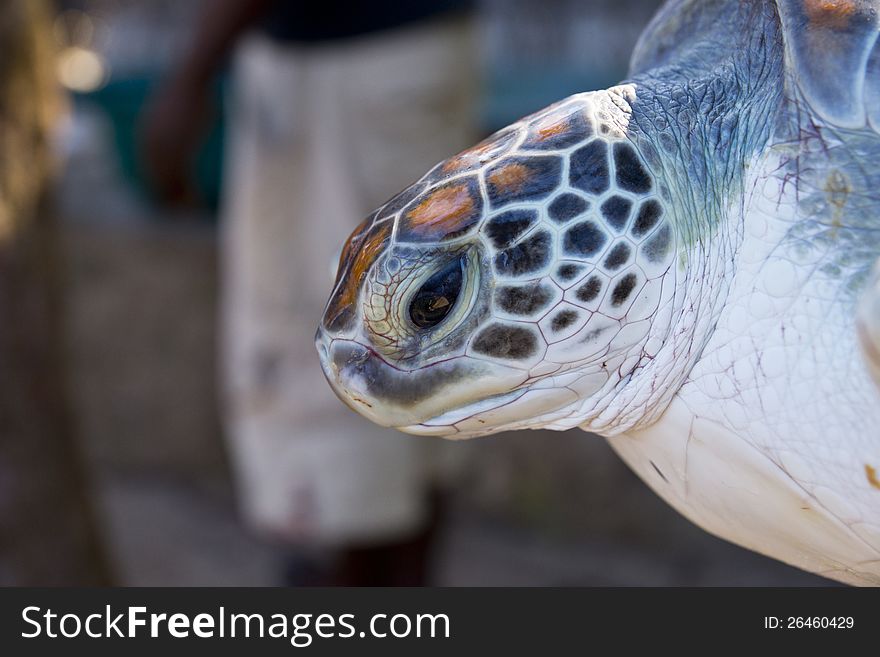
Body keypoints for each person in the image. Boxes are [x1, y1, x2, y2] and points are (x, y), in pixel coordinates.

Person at [141, 0, 478, 584]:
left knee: (350, 364)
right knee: (422, 349)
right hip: (413, 59)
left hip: (345, 83)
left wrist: (189, 77)